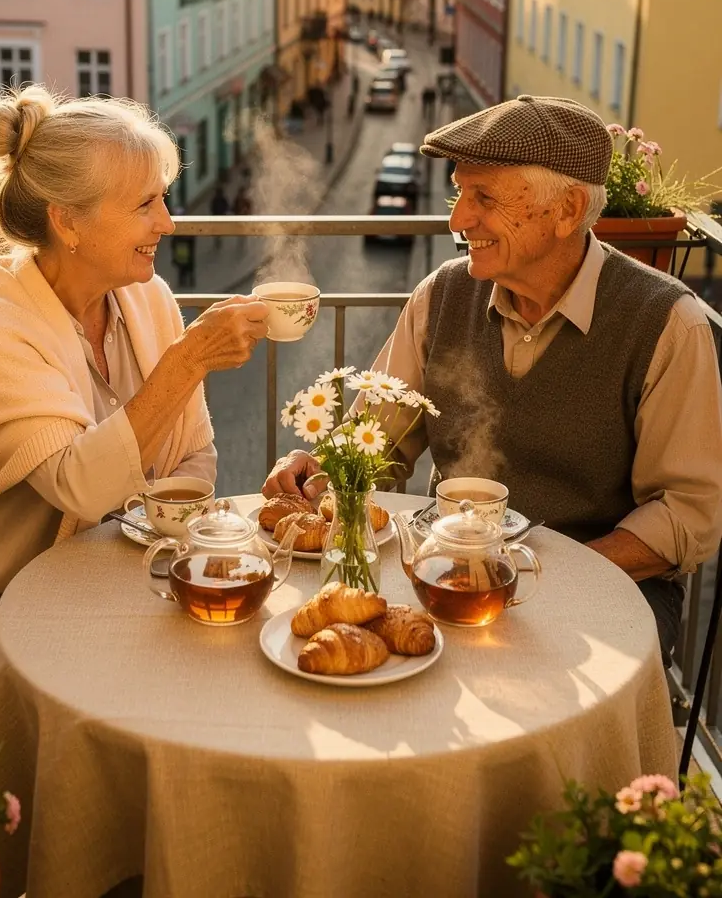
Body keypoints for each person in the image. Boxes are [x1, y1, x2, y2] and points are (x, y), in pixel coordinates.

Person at [262, 95, 722, 667]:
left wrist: (541, 571)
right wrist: (321, 472)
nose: (457, 219)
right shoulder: (442, 295)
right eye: (459, 193)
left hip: (607, 581)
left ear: (567, 209)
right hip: (449, 571)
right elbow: (377, 442)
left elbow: (687, 511)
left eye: (483, 197)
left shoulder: (665, 323)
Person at [0, 86, 269, 704]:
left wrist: (147, 530)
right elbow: (79, 486)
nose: (167, 223)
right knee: (132, 693)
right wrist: (188, 362)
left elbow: (196, 455)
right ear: (67, 219)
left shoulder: (146, 295)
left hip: (112, 578)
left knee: (226, 653)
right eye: (145, 204)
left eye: (163, 198)